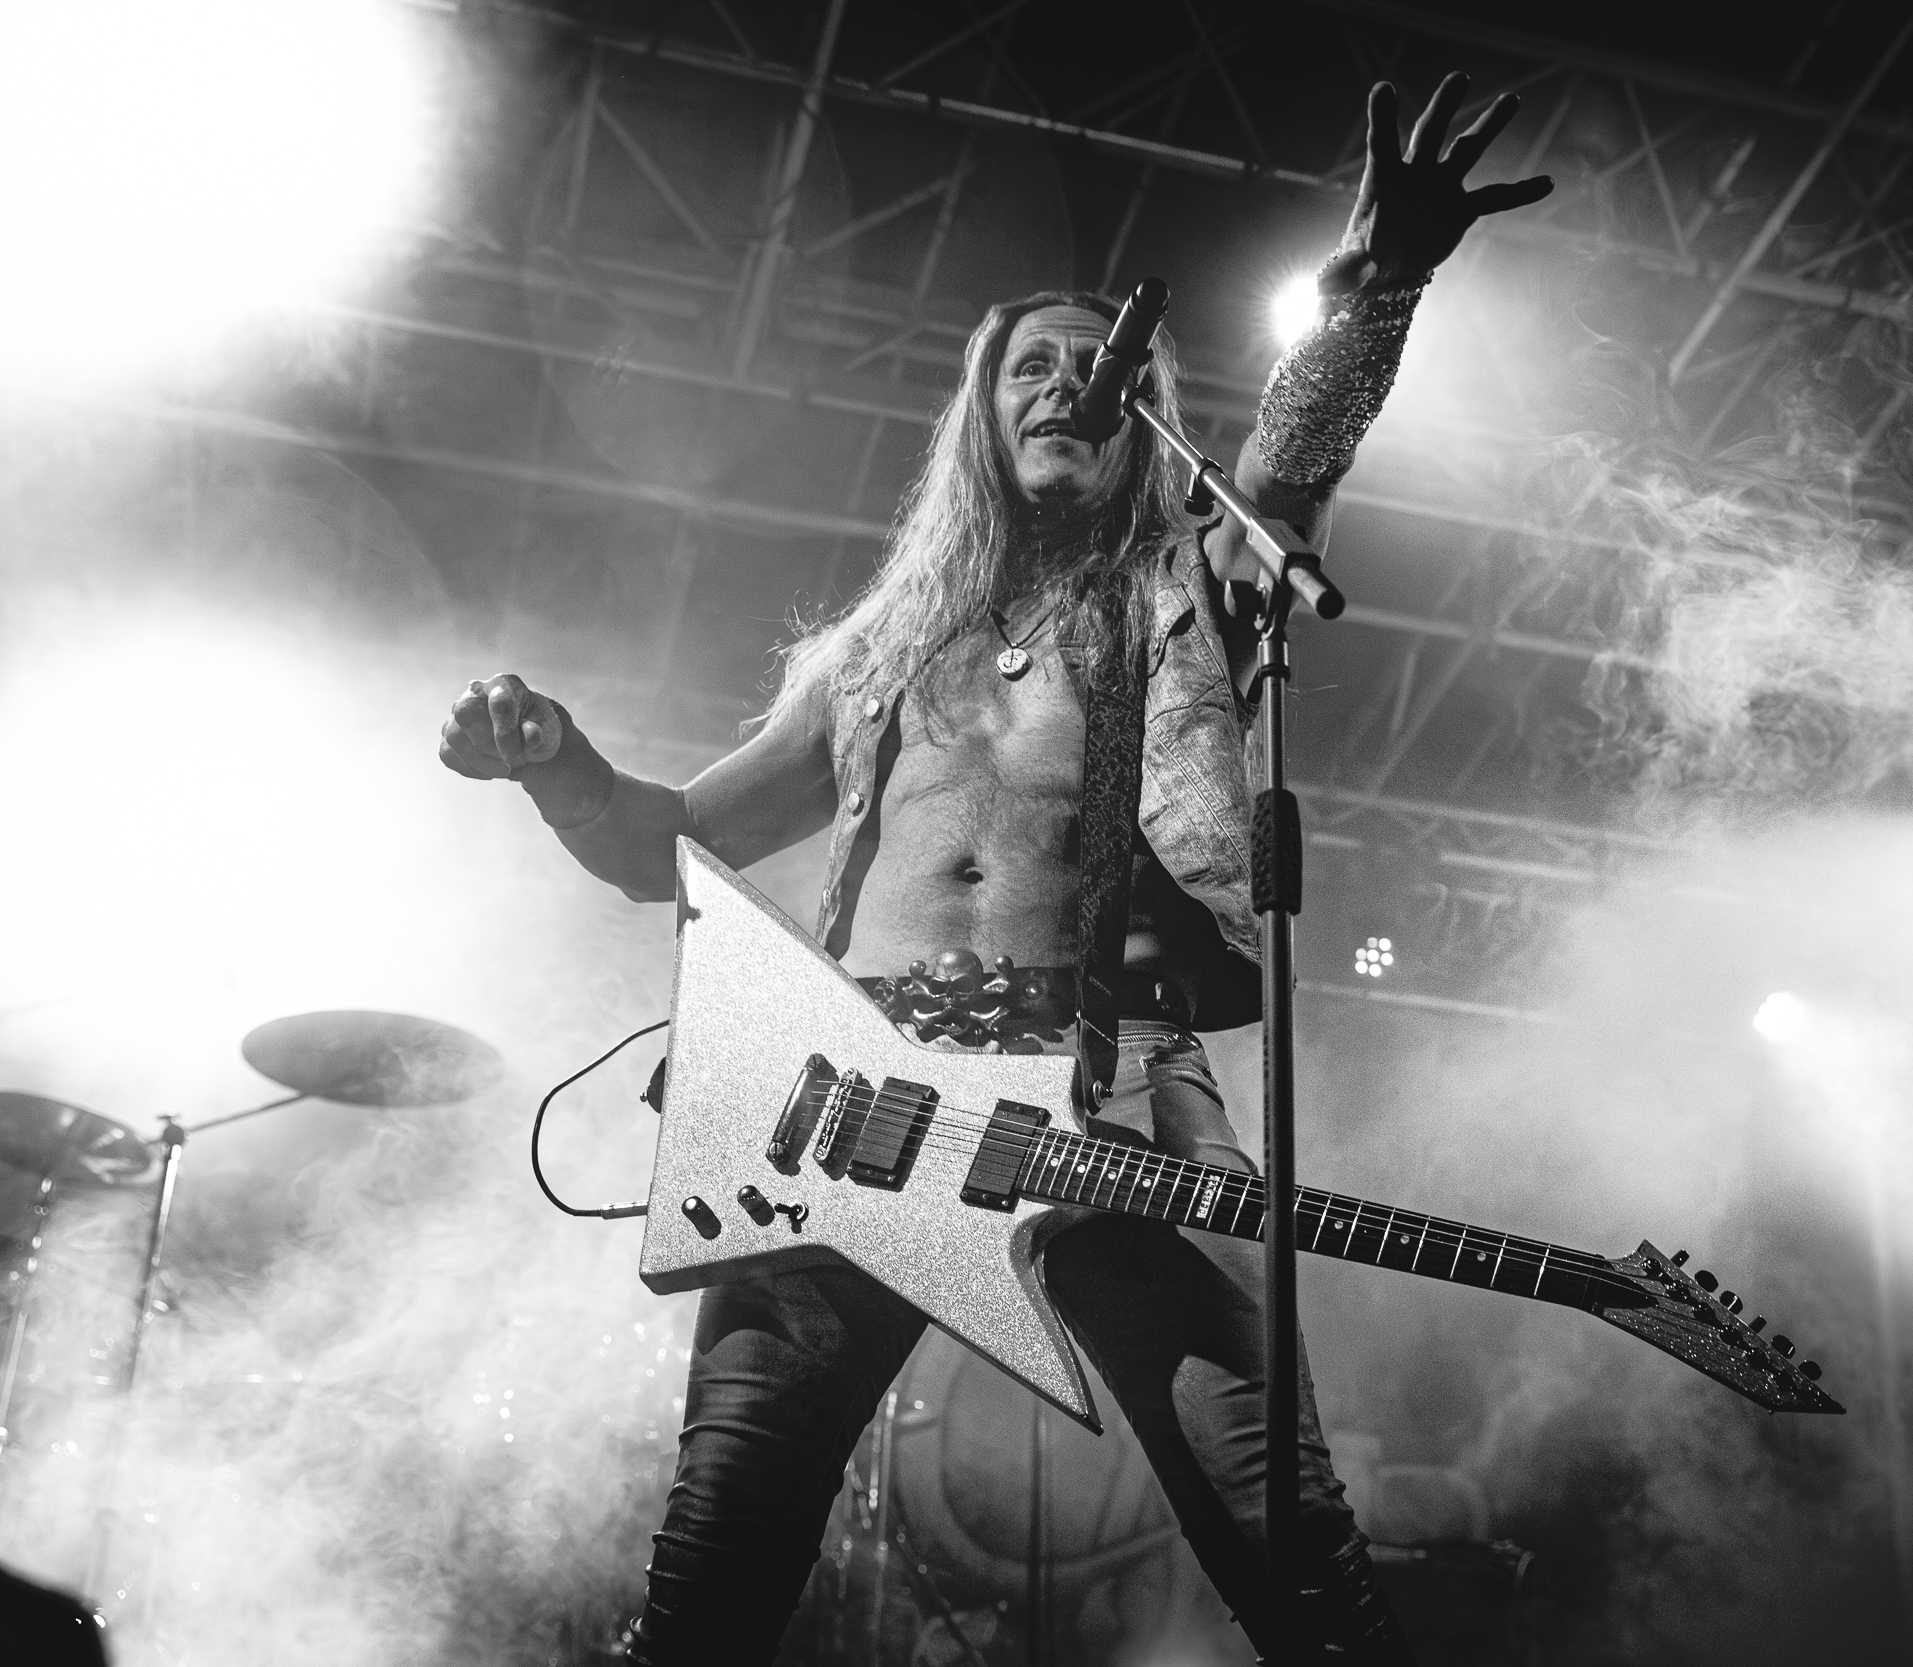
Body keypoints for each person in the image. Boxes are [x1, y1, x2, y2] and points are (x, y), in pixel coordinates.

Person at [440, 73, 1550, 1665]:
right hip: (856, 1114)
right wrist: (555, 762)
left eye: (1096, 368)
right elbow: (659, 844)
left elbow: (1287, 475)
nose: (1062, 385)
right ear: (986, 414)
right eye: (1030, 366)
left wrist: (1375, 292)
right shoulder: (874, 658)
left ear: (1138, 412)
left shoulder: (1182, 595)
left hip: (1120, 1095)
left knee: (1298, 1556)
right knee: (711, 1582)